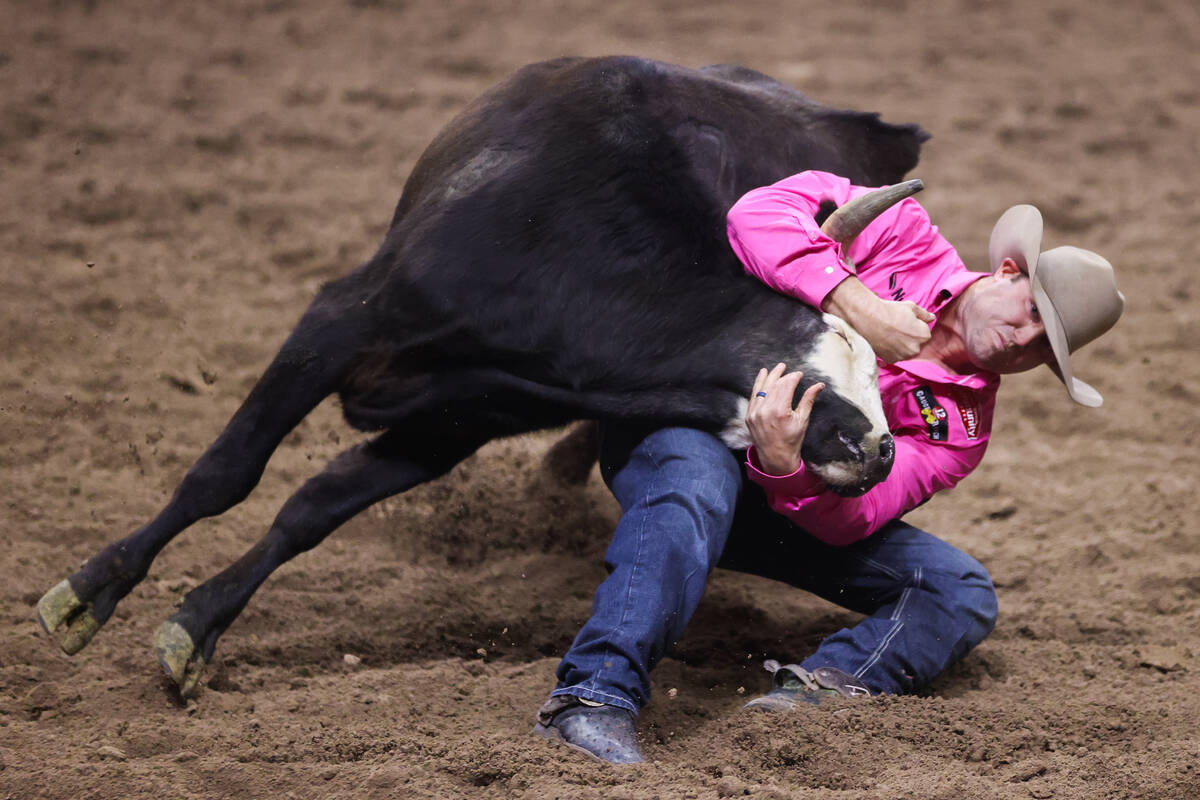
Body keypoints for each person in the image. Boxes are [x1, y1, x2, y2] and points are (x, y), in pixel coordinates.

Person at [532, 171, 1125, 764]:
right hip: (691, 421)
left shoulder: (960, 430)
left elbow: (857, 517)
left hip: (781, 504)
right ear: (1007, 272)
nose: (1018, 338)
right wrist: (857, 304)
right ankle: (593, 695)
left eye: (1043, 344)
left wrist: (786, 466)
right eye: (1028, 311)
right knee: (693, 482)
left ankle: (814, 696)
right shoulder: (900, 231)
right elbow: (755, 215)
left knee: (959, 589)